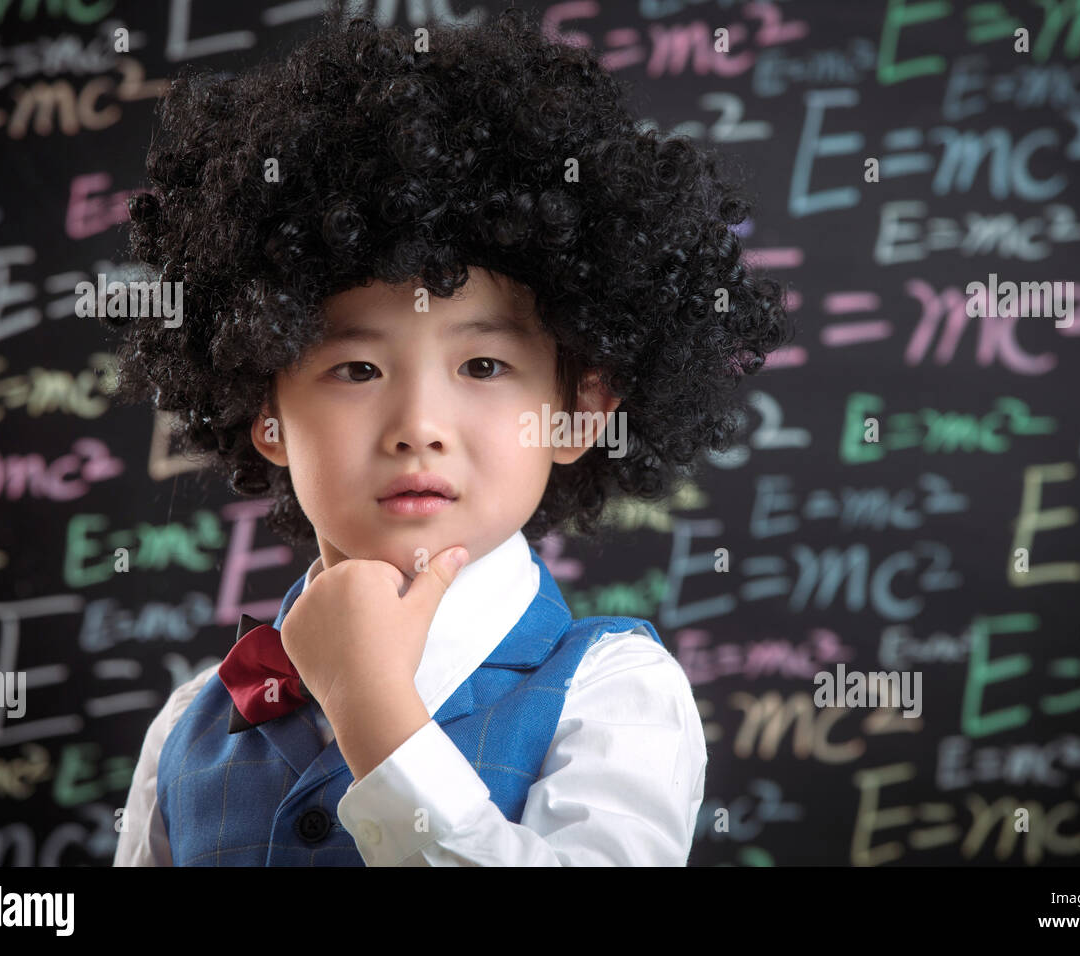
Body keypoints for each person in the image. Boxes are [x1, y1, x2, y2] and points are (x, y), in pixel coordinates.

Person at [106, 7, 789, 866]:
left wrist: (374, 708)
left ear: (580, 408)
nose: (419, 427)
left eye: (484, 368)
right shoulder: (190, 722)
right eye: (356, 370)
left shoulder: (615, 694)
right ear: (264, 414)